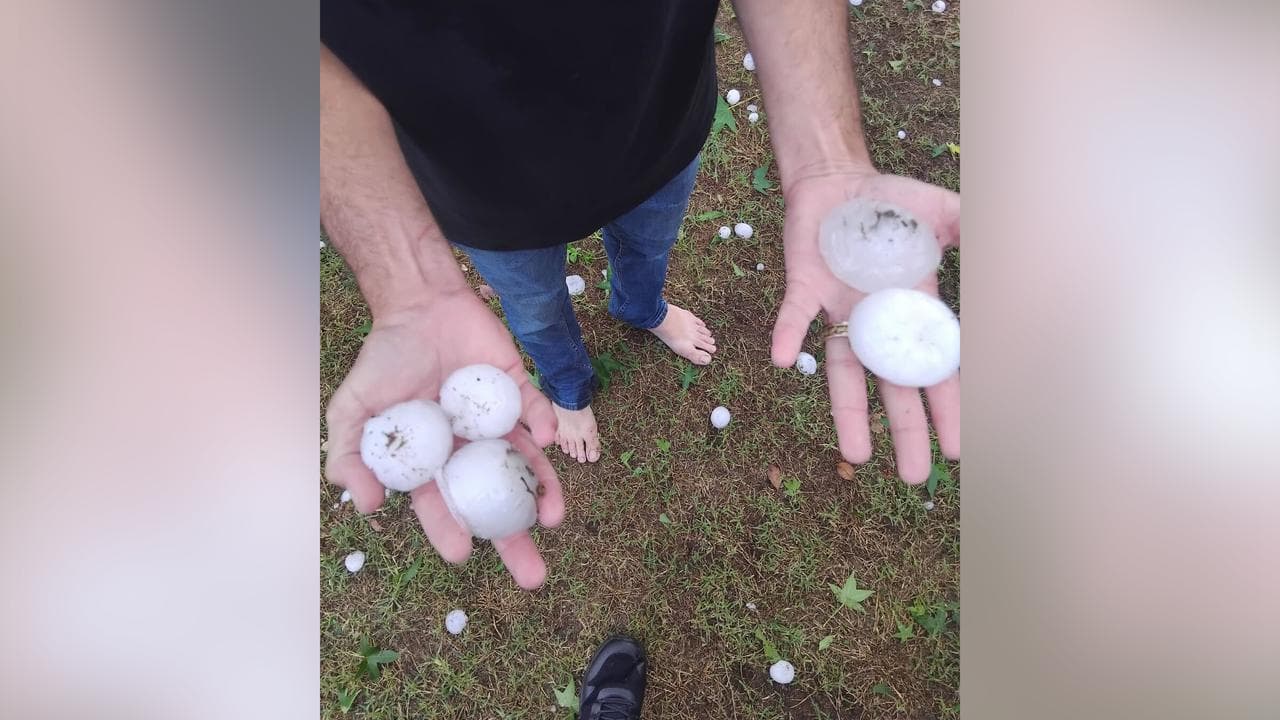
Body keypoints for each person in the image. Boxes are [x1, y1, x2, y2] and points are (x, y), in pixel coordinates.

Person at [321, 1, 960, 590]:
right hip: (480, 190)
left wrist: (827, 158)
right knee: (537, 310)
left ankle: (641, 309)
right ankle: (568, 389)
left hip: (657, 129)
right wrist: (408, 285)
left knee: (648, 255)